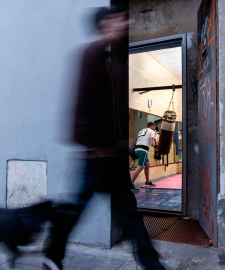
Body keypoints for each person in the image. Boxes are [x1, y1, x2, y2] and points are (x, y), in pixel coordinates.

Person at [42, 7, 166, 270]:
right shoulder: (91, 56)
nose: (125, 22)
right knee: (76, 211)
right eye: (119, 19)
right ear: (105, 25)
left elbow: (110, 114)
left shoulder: (108, 61)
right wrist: (94, 145)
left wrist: (120, 143)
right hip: (97, 157)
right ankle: (52, 252)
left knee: (130, 216)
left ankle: (152, 265)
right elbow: (81, 106)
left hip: (111, 156)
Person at [131, 122, 157, 189]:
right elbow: (152, 143)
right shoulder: (152, 131)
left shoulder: (141, 130)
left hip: (137, 149)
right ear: (153, 127)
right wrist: (156, 144)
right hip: (143, 151)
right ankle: (130, 183)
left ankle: (147, 182)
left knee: (147, 164)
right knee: (140, 167)